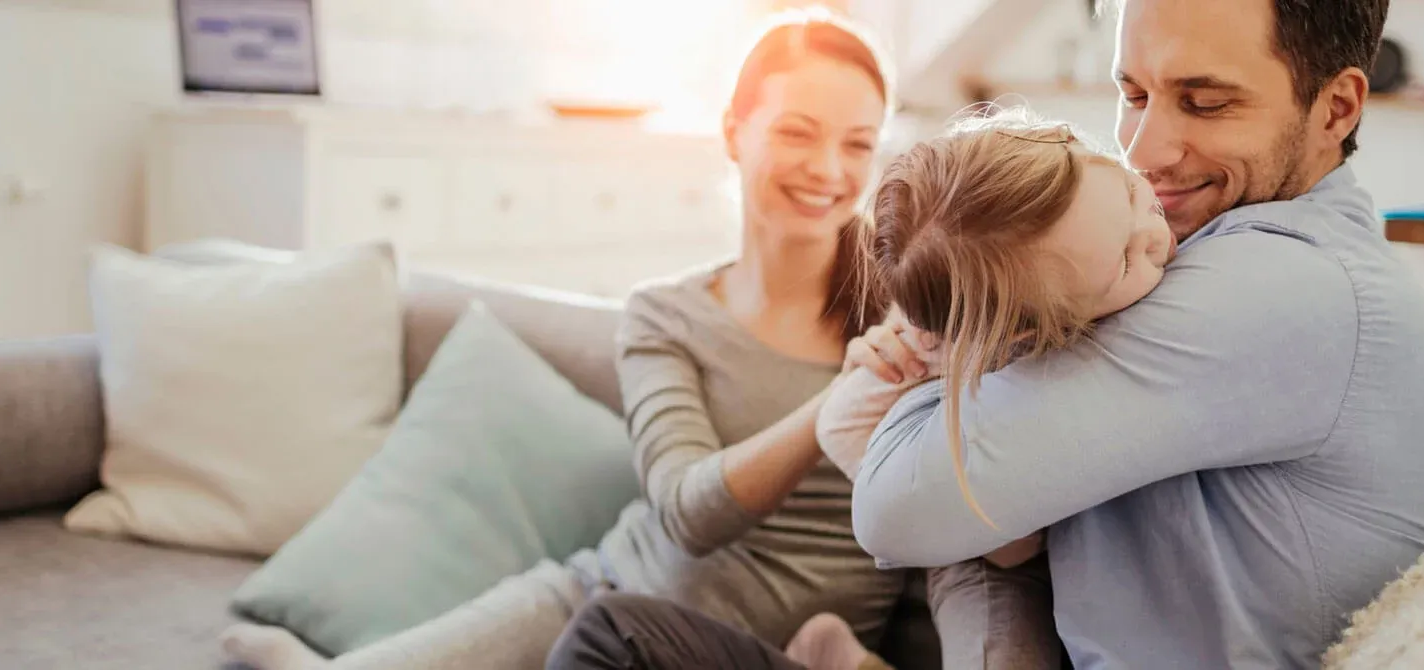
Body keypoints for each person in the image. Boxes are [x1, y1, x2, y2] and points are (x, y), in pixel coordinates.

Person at [543, 0, 1424, 667]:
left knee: (615, 638)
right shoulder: (1197, 263)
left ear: (1339, 108)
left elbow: (899, 505)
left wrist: (919, 376)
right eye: (1133, 92)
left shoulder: (1274, 282)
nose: (1146, 151)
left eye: (1205, 101)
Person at [219, 10, 920, 670]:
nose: (829, 170)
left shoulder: (906, 318)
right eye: (798, 133)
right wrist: (836, 403)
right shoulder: (664, 316)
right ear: (734, 132)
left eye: (857, 144)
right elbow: (685, 514)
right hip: (595, 603)